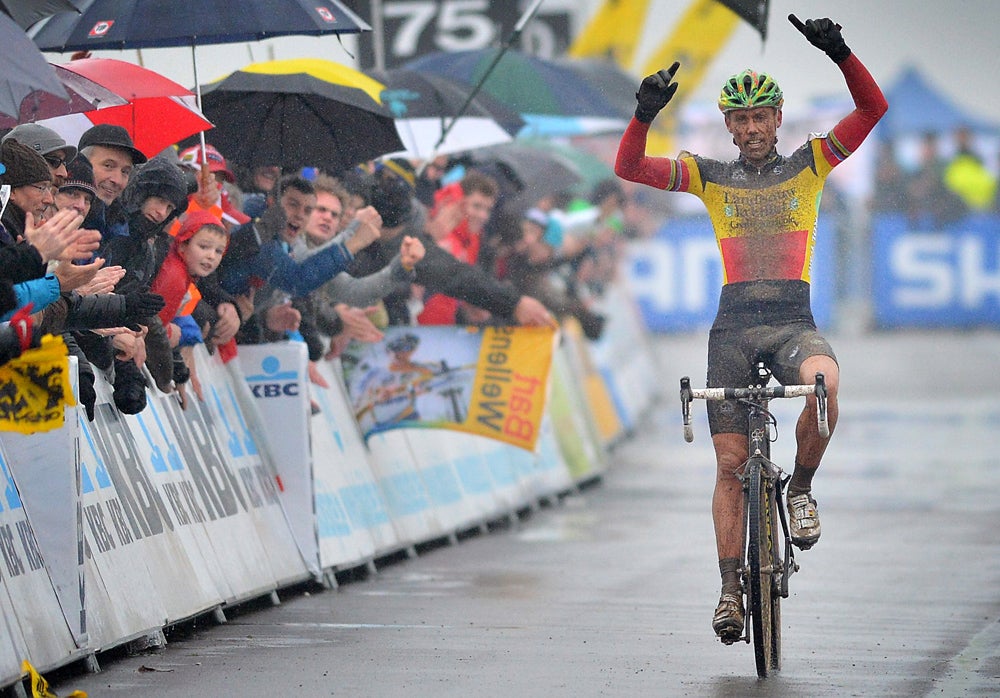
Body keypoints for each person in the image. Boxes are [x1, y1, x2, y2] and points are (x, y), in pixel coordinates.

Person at [615, 15, 887, 643]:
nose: (751, 128)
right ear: (728, 126)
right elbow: (629, 168)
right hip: (732, 329)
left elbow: (872, 107)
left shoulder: (812, 163)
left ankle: (801, 490)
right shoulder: (710, 176)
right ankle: (730, 591)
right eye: (739, 119)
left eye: (760, 116)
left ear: (777, 118)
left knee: (826, 384)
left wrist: (841, 52)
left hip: (793, 321)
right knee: (730, 464)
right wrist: (644, 112)